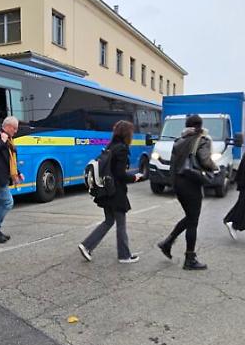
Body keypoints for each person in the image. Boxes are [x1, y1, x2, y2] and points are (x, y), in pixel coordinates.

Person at [78, 120, 144, 263]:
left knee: (109, 221)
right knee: (120, 224)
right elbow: (120, 174)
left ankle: (86, 245)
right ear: (127, 134)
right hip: (116, 192)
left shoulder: (111, 146)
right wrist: (135, 177)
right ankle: (124, 256)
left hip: (107, 190)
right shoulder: (121, 149)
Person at [157, 114, 217, 270]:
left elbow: (172, 165)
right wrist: (214, 167)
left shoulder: (179, 141)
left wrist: (173, 183)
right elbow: (204, 160)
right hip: (192, 182)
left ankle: (168, 242)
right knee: (193, 221)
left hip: (179, 183)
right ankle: (189, 259)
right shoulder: (202, 140)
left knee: (190, 217)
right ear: (200, 125)